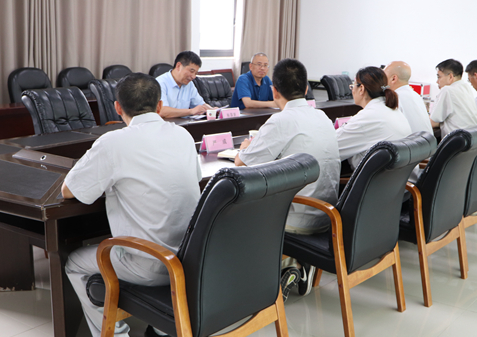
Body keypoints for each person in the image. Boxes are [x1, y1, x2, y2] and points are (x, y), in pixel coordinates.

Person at [63, 73, 202, 337]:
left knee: (75, 262)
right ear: (160, 105)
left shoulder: (113, 142)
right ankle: (165, 331)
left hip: (147, 264)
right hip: (189, 259)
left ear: (117, 107)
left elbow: (70, 191)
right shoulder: (183, 135)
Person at [235, 58, 340, 299]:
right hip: (328, 213)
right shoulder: (322, 117)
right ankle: (297, 264)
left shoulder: (281, 120)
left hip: (298, 217)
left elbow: (242, 163)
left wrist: (245, 147)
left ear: (274, 91)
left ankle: (271, 272)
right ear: (306, 89)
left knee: (238, 205)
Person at [337, 66, 411, 169]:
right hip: (400, 177)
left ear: (361, 89)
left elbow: (332, 146)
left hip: (381, 177)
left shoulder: (368, 117)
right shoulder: (391, 109)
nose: (352, 90)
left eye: (353, 86)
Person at [430, 59, 477, 139]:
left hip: (455, 141)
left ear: (450, 76)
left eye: (439, 77)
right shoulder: (466, 87)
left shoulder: (447, 90)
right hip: (469, 139)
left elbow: (433, 122)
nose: (437, 81)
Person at [156, 51, 212, 118]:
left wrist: (212, 110)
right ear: (178, 66)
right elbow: (162, 111)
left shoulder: (189, 84)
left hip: (185, 123)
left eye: (196, 73)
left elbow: (201, 105)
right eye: (191, 71)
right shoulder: (160, 83)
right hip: (166, 124)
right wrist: (191, 111)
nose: (193, 76)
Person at [384, 61, 433, 134]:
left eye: (384, 77)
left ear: (394, 78)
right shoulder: (416, 95)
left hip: (411, 140)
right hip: (427, 140)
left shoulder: (395, 98)